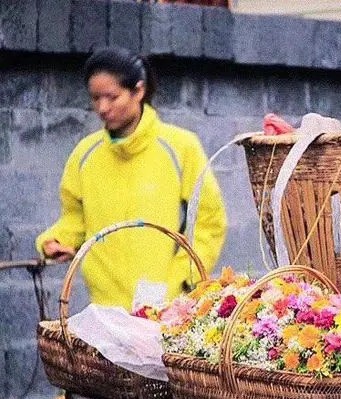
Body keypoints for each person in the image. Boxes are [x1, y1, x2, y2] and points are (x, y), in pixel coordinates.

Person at [36, 47, 227, 310]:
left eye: (112, 97)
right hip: (104, 310)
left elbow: (209, 222)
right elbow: (75, 219)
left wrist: (181, 280)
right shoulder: (84, 154)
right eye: (95, 98)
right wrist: (57, 241)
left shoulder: (181, 147)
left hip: (166, 308)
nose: (102, 108)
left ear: (138, 91)